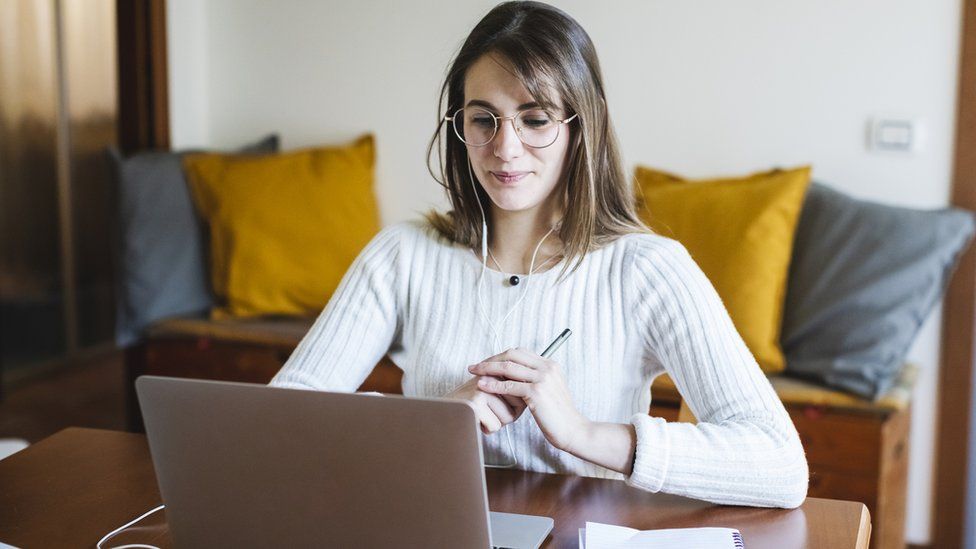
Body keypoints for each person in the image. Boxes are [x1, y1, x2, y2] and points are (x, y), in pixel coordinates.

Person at [270, 0, 809, 509]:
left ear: (582, 126)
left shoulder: (648, 269)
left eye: (535, 119)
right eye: (483, 119)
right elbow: (276, 427)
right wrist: (434, 423)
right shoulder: (401, 256)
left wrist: (583, 434)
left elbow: (781, 465)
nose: (504, 149)